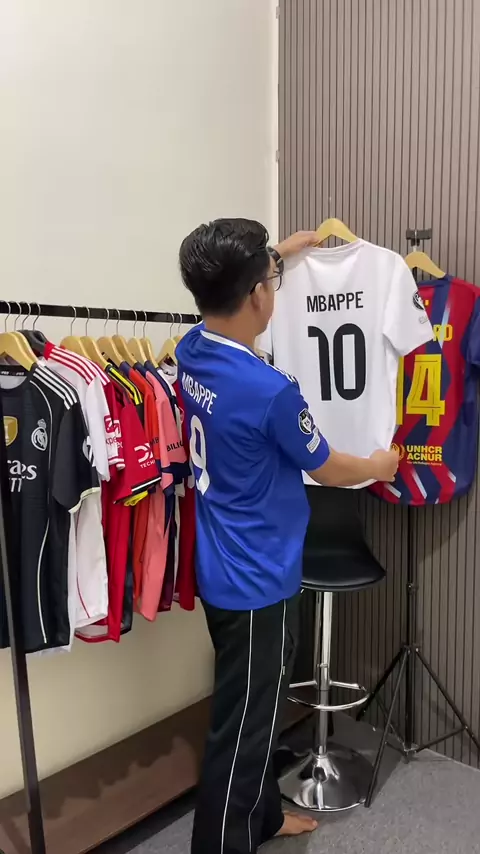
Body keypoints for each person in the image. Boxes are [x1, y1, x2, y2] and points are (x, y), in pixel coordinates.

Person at [176, 218, 399, 854]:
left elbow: (231, 288)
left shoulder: (193, 348)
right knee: (242, 728)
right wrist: (380, 464)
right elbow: (327, 466)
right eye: (270, 280)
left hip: (232, 563)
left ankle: (265, 818)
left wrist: (278, 253)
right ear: (256, 295)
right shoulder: (270, 391)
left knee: (262, 707)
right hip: (254, 581)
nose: (274, 286)